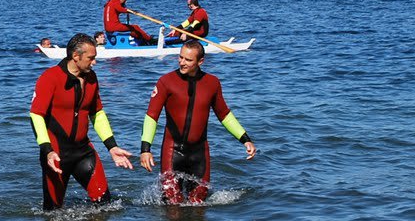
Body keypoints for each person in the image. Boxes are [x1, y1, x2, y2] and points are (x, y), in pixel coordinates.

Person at [139, 39, 257, 204]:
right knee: (172, 203)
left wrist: (245, 139)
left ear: (201, 61)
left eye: (188, 60)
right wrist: (145, 149)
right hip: (172, 151)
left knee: (199, 204)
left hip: (199, 153)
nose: (182, 62)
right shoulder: (166, 82)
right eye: (180, 57)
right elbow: (152, 115)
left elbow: (224, 114)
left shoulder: (212, 83)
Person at [29, 32, 134, 210]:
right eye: (91, 58)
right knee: (53, 216)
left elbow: (97, 113)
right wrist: (47, 150)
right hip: (56, 154)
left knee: (105, 208)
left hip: (84, 152)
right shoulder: (50, 77)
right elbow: (36, 115)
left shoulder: (91, 78)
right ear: (76, 56)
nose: (94, 62)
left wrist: (112, 146)